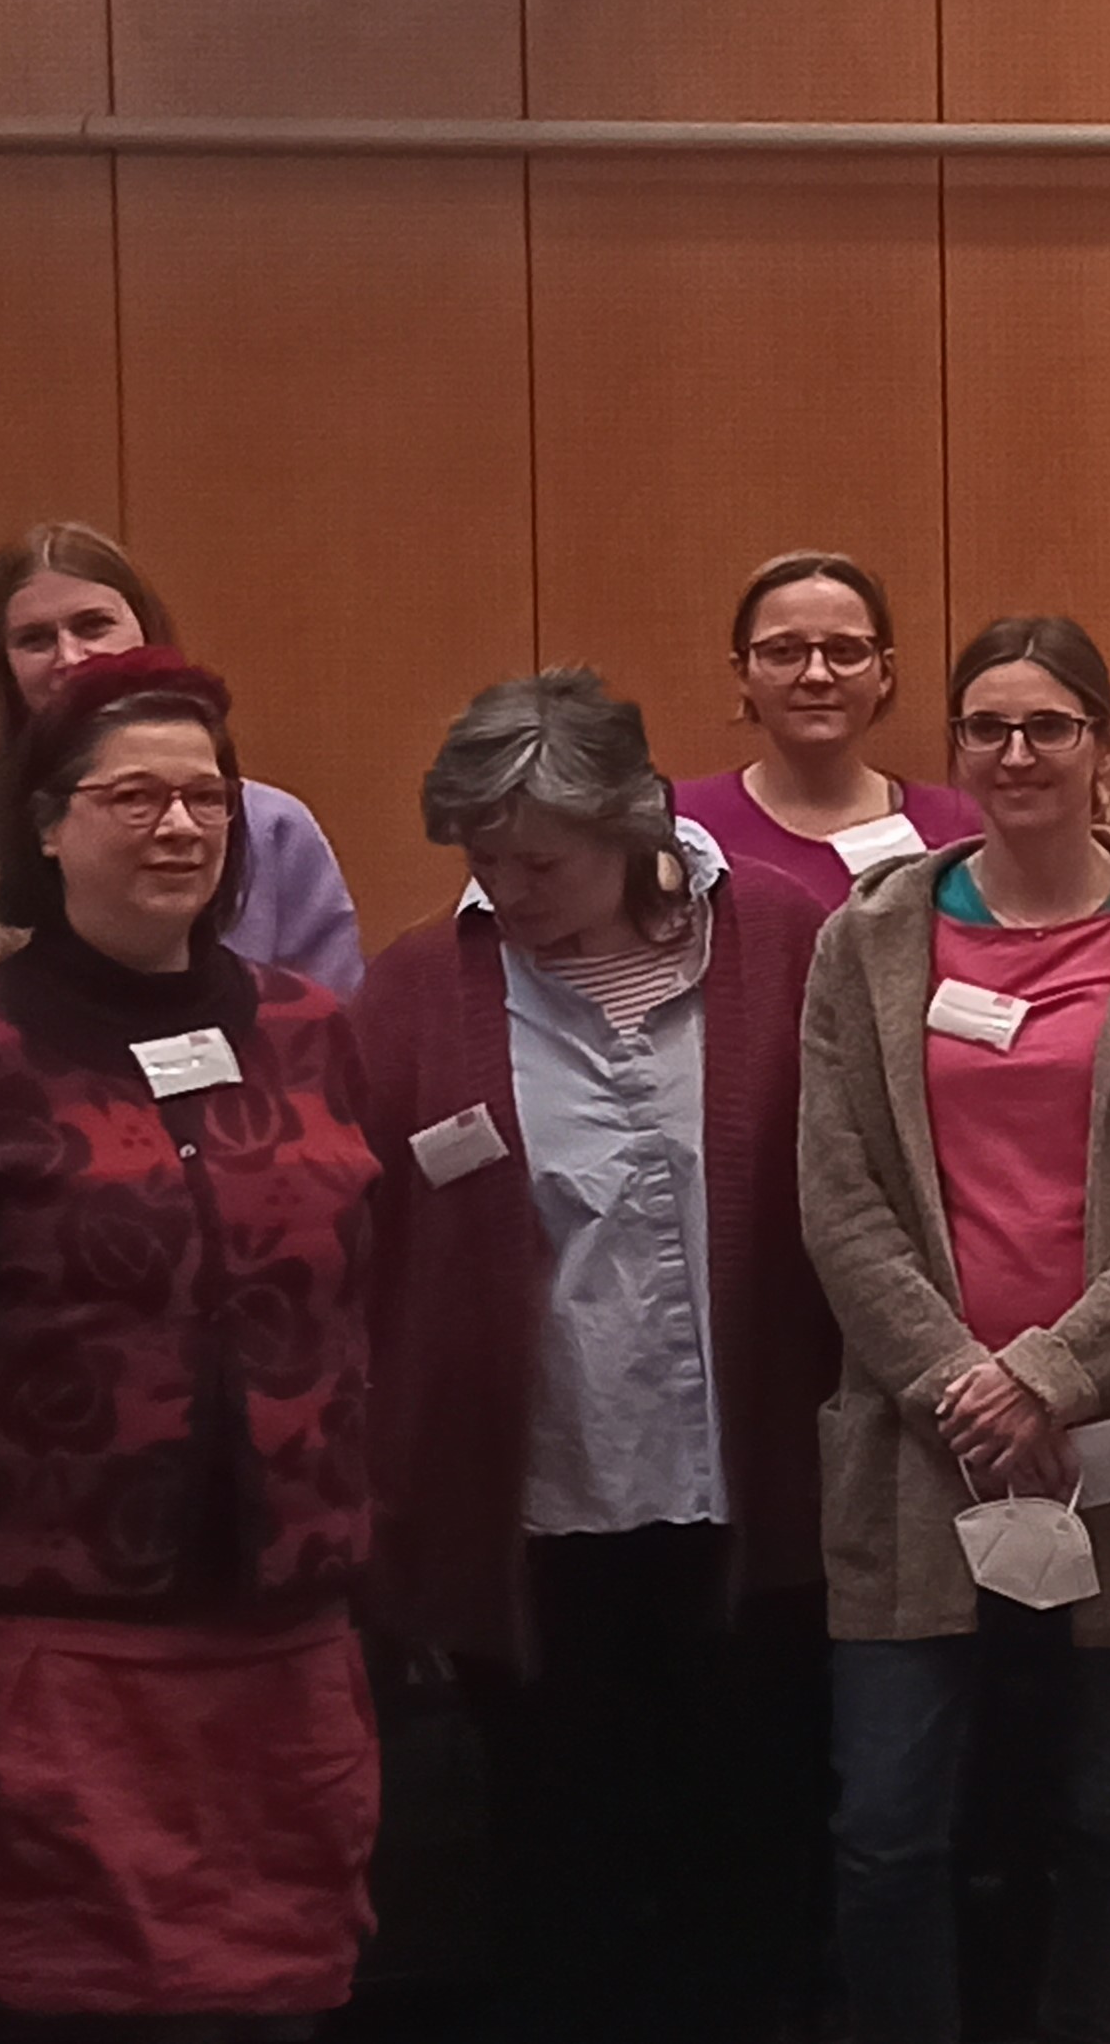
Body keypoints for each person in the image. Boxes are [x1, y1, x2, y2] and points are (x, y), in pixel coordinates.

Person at [0, 649, 389, 2036]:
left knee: (272, 1995)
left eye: (206, 798)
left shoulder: (309, 1031)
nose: (179, 828)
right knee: (54, 1997)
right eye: (135, 797)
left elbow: (360, 1294)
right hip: (41, 1639)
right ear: (47, 826)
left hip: (279, 1631)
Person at [801, 617, 1110, 2044]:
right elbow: (837, 1192)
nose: (1017, 753)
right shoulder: (869, 936)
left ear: (1106, 748)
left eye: (1049, 726)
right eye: (988, 728)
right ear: (955, 750)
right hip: (919, 1438)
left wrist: (1052, 1375)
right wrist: (964, 1381)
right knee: (888, 1821)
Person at [357, 671, 842, 2044]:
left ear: (631, 825)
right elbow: (372, 1247)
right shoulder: (416, 988)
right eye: (483, 858)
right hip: (538, 1511)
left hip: (754, 1494)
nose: (507, 887)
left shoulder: (788, 940)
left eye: (541, 861)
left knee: (755, 1843)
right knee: (561, 1855)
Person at [0, 522, 359, 1072]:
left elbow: (331, 1048)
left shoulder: (273, 827)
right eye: (35, 639)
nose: (71, 658)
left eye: (93, 625)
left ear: (147, 634)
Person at [674, 550, 983, 922]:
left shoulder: (960, 829)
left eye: (844, 651)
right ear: (743, 674)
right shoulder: (681, 826)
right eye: (784, 651)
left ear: (885, 674)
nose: (816, 675)